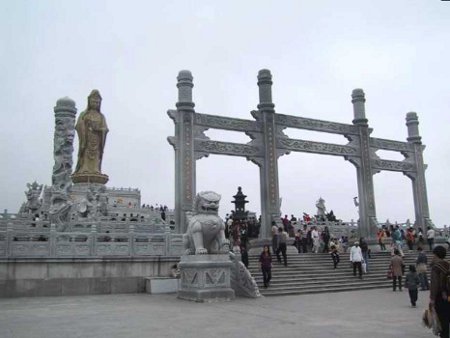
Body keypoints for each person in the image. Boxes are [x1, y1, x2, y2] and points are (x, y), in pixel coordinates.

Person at [73, 90, 109, 175]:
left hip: (97, 138)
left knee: (96, 153)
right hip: (86, 137)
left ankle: (95, 168)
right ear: (89, 101)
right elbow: (78, 125)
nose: (95, 103)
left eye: (97, 102)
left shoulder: (101, 116)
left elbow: (106, 128)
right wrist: (84, 125)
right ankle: (84, 167)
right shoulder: (84, 114)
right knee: (86, 151)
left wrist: (100, 129)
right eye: (93, 101)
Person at [429, 245, 450, 338]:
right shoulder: (448, 265)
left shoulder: (436, 267)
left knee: (443, 319)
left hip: (440, 296)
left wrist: (432, 299)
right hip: (448, 295)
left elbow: (434, 284)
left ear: (436, 255)